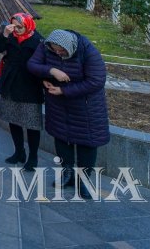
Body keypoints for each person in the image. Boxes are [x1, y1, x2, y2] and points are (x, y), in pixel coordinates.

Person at [27, 28, 110, 198]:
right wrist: (51, 72)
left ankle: (83, 181)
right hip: (58, 105)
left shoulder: (87, 51)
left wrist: (65, 91)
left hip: (85, 106)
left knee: (86, 143)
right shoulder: (46, 46)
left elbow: (96, 80)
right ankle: (67, 174)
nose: (58, 53)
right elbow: (32, 65)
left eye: (62, 50)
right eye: (55, 50)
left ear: (70, 46)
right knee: (62, 139)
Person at [0, 12, 45, 172]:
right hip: (11, 83)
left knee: (32, 123)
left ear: (28, 25)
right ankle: (19, 152)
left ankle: (33, 156)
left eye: (20, 26)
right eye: (14, 25)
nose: (17, 29)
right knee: (12, 118)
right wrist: (4, 34)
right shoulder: (10, 36)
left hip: (30, 85)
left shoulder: (38, 41)